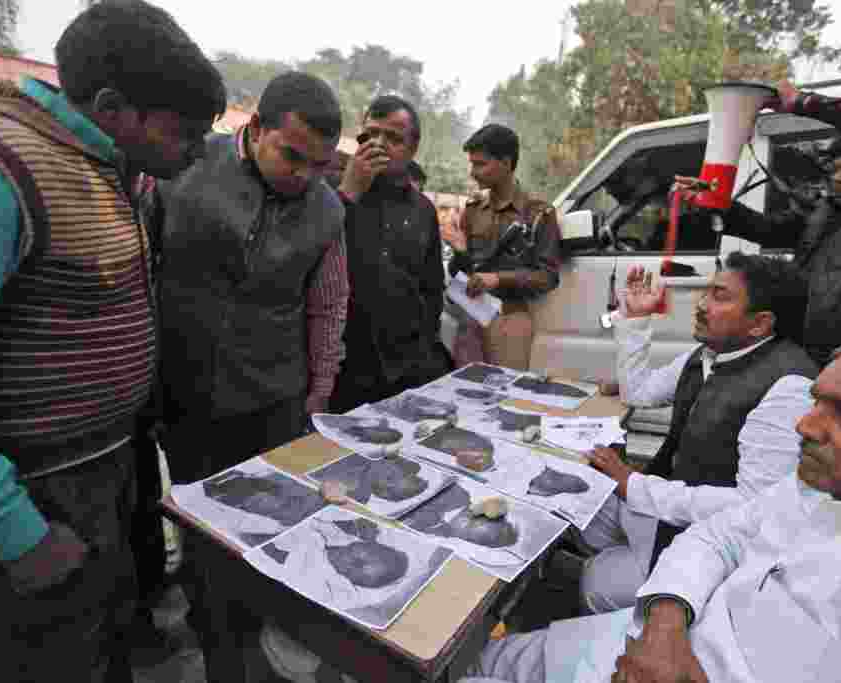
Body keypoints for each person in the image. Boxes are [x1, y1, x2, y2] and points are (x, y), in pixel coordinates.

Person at [462, 332, 841, 683]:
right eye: (817, 402)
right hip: (640, 640)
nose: (804, 427)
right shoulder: (827, 483)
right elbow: (718, 537)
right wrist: (664, 631)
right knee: (480, 664)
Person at [0, 1, 225, 681]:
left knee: (99, 642)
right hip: (30, 490)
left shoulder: (117, 168)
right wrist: (14, 531)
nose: (201, 151)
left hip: (106, 471)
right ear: (113, 106)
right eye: (186, 134)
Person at [144, 71, 347, 682]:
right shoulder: (181, 168)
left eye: (319, 164)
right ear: (254, 129)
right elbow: (140, 267)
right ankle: (219, 653)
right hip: (189, 399)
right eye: (292, 155)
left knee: (277, 532)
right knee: (207, 542)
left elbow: (329, 302)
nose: (304, 175)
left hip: (276, 401)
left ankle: (269, 649)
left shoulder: (328, 208)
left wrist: (316, 392)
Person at [579, 252, 817, 612]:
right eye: (706, 292)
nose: (701, 304)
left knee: (595, 582)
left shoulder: (788, 386)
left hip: (709, 548)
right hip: (668, 511)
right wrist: (636, 319)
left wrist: (633, 484)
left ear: (759, 324)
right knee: (581, 503)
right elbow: (638, 392)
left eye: (719, 296)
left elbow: (752, 507)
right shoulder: (705, 356)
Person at [676, 81, 841, 366]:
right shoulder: (828, 210)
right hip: (808, 357)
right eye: (836, 169)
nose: (839, 177)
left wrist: (807, 103)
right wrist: (717, 203)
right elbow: (767, 230)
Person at [330, 95, 451, 413]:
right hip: (344, 367)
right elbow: (308, 252)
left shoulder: (423, 210)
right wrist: (348, 193)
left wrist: (423, 349)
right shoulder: (330, 189)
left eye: (393, 138)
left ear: (413, 149)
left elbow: (432, 287)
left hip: (405, 368)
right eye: (371, 135)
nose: (379, 144)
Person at [443, 123, 562, 370]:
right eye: (472, 164)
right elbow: (461, 273)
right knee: (464, 399)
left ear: (506, 163)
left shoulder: (538, 213)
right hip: (471, 319)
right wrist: (460, 252)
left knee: (505, 398)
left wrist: (498, 279)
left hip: (510, 321)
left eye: (480, 164)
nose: (473, 172)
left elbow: (548, 277)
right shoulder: (473, 211)